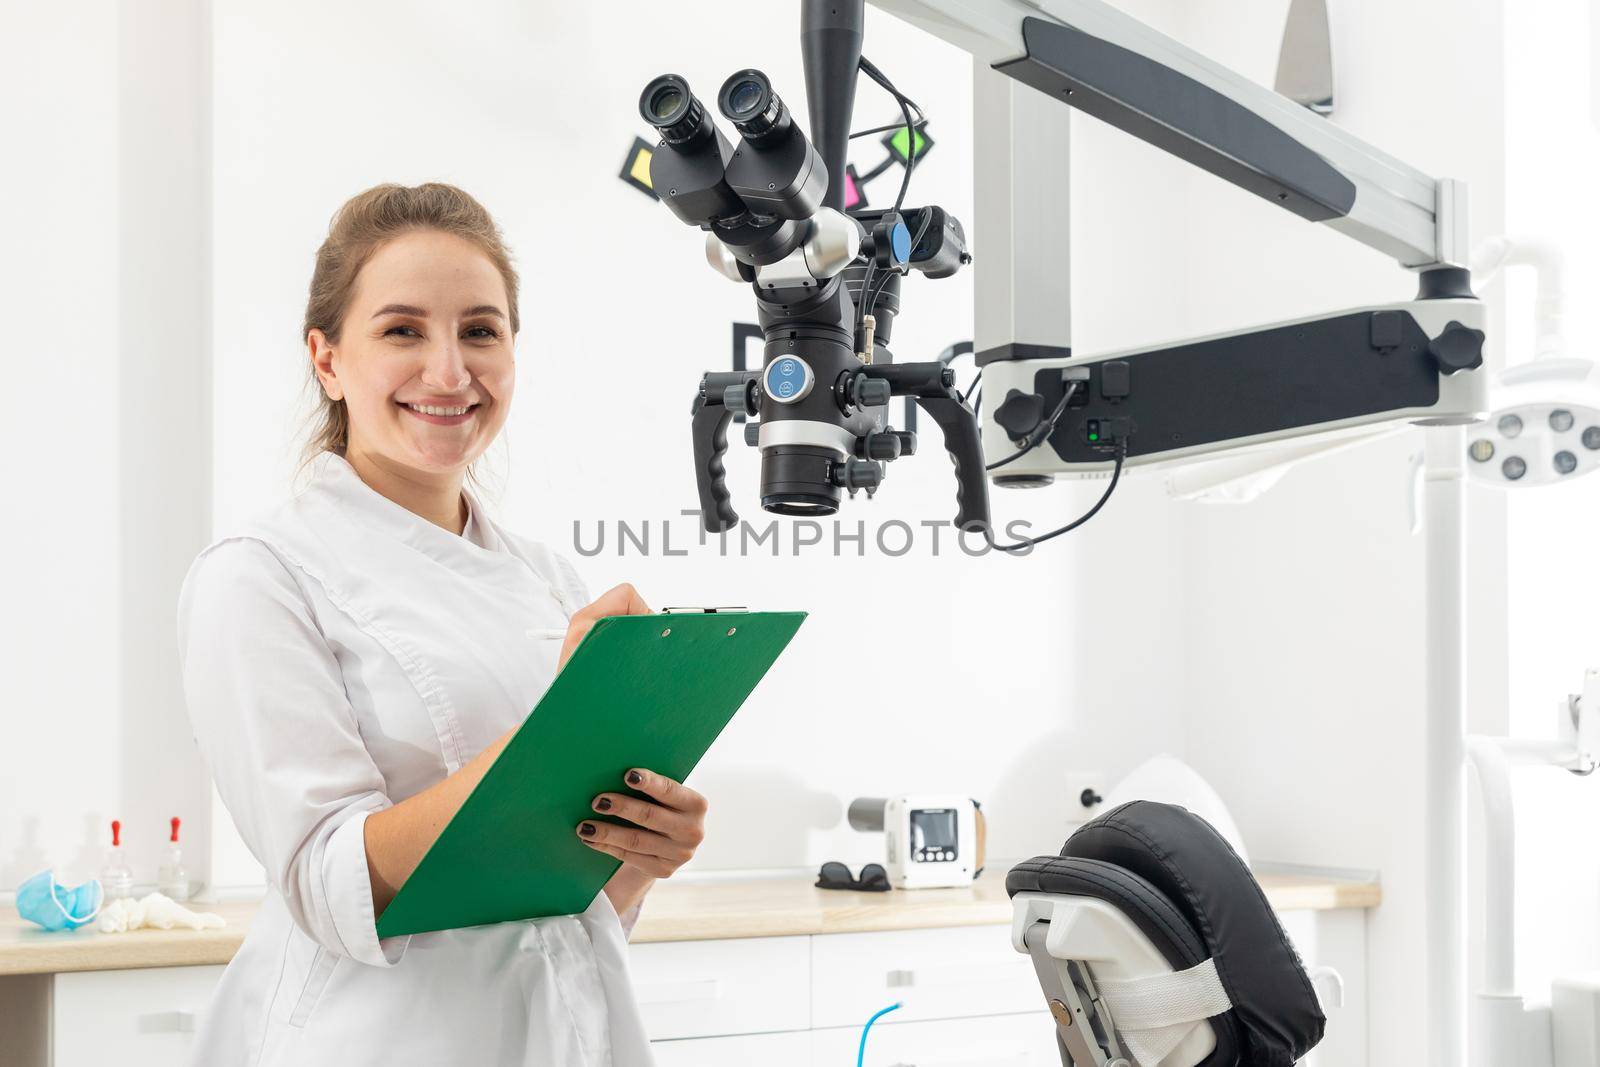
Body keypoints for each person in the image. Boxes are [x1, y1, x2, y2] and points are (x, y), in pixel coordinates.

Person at [178, 183, 701, 1066]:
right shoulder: (259, 573)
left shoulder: (546, 578)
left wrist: (641, 849)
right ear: (327, 358)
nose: (451, 372)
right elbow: (332, 885)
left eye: (481, 331)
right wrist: (560, 736)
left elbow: (556, 904)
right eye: (402, 330)